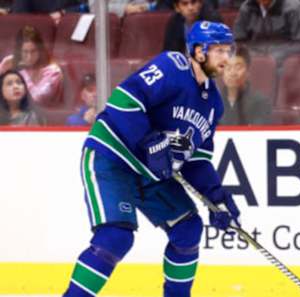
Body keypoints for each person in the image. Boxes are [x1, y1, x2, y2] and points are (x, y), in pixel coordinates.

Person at [62, 21, 241, 297]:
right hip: (113, 158)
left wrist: (216, 198)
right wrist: (148, 141)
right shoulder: (172, 67)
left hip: (150, 172)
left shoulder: (214, 104)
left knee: (188, 229)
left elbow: (197, 161)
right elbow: (124, 100)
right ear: (199, 51)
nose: (226, 58)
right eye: (219, 50)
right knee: (115, 238)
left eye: (229, 51)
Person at [0, 26, 64, 108]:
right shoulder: (12, 64)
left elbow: (37, 100)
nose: (29, 57)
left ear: (40, 50)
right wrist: (2, 68)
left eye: (33, 51)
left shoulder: (53, 72)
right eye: (25, 52)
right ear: (19, 51)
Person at [233, 0, 300, 64]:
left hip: (285, 62)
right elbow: (238, 40)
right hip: (254, 59)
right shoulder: (247, 7)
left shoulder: (295, 7)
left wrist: (271, 56)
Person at [220, 45, 272, 125]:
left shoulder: (260, 102)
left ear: (248, 72)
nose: (233, 73)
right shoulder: (212, 101)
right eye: (228, 68)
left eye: (238, 67)